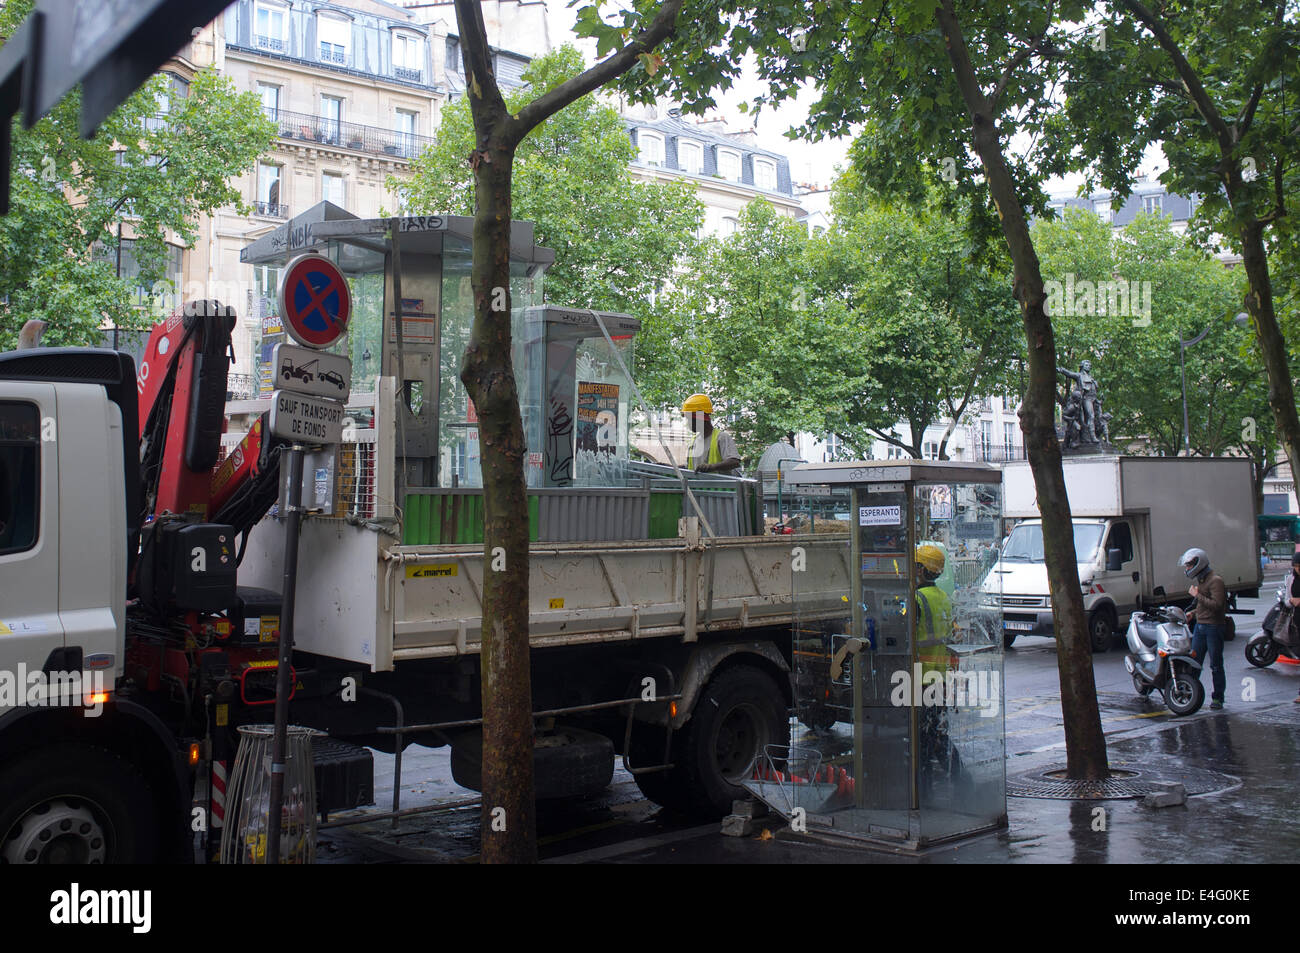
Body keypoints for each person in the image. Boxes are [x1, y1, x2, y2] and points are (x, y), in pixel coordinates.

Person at [1182, 547, 1227, 710]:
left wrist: (1197, 595)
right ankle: (1190, 694)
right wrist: (1193, 613)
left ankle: (1218, 698)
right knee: (1194, 662)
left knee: (1215, 664)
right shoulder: (1202, 580)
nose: (1187, 569)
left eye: (1189, 565)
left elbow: (1217, 605)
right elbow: (1203, 605)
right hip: (1200, 626)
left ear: (1198, 564)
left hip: (1213, 627)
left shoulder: (1215, 581)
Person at [681, 393, 741, 475]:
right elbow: (689, 468)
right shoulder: (693, 441)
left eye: (690, 419)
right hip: (697, 487)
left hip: (720, 487)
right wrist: (668, 467)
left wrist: (712, 467)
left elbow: (734, 462)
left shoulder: (721, 437)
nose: (688, 423)